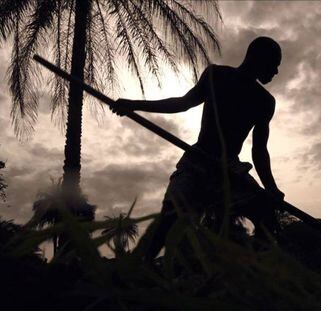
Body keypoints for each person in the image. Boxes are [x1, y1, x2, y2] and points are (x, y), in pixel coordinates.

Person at [111, 36, 285, 260]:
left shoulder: (265, 102)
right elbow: (183, 103)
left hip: (230, 170)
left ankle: (250, 271)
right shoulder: (217, 75)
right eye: (274, 63)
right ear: (257, 57)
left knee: (266, 214)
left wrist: (271, 188)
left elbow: (259, 150)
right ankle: (137, 269)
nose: (276, 71)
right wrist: (135, 105)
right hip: (197, 162)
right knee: (169, 219)